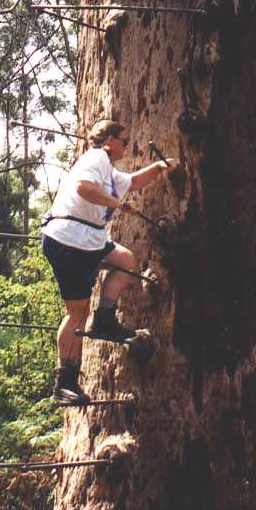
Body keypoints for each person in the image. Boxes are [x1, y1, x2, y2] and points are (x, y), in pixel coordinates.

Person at [42, 117, 174, 405]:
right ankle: (65, 383)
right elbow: (84, 188)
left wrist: (161, 167)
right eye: (124, 141)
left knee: (127, 260)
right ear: (109, 141)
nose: (127, 146)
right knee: (76, 311)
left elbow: (135, 181)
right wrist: (117, 205)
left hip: (90, 240)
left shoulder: (109, 170)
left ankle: (104, 319)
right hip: (70, 239)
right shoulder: (96, 157)